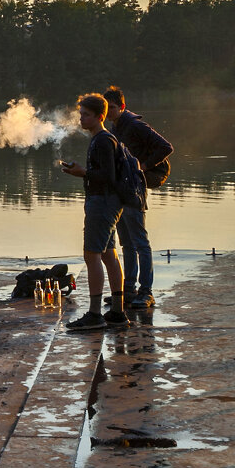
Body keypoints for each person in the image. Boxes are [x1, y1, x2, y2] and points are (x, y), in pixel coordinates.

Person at [60, 94, 128, 330]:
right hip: (107, 202)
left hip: (102, 203)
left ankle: (95, 314)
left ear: (100, 117)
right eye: (81, 114)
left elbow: (108, 177)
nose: (81, 118)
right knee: (109, 254)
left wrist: (83, 173)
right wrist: (81, 171)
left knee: (92, 255)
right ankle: (117, 312)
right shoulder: (102, 139)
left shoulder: (102, 140)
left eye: (86, 114)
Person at [102, 86, 173, 309]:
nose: (109, 112)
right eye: (106, 109)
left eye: (112, 108)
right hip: (121, 191)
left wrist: (142, 167)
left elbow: (166, 147)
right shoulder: (113, 129)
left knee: (140, 242)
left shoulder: (134, 125)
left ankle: (147, 292)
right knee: (127, 243)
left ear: (122, 107)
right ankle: (129, 290)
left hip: (134, 190)